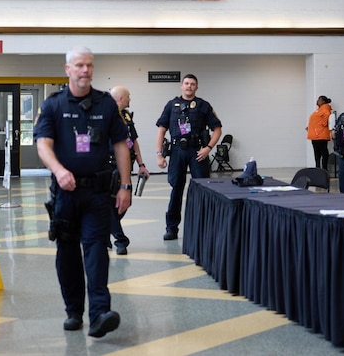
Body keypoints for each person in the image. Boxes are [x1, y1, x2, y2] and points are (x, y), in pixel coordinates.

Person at [34, 46, 132, 338]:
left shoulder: (105, 104)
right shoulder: (53, 105)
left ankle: (100, 312)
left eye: (89, 65)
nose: (85, 70)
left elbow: (120, 145)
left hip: (98, 192)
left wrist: (125, 185)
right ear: (68, 70)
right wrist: (58, 170)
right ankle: (73, 311)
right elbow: (42, 144)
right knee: (67, 253)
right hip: (66, 193)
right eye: (79, 65)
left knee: (96, 249)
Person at [155, 74, 222, 241]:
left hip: (197, 151)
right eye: (186, 83)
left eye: (192, 84)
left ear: (196, 87)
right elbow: (161, 130)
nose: (189, 86)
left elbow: (217, 129)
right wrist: (159, 154)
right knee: (176, 189)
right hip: (177, 151)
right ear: (181, 86)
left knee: (202, 190)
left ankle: (204, 227)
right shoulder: (171, 105)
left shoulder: (203, 105)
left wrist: (208, 148)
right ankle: (171, 228)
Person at [108, 85, 150, 255]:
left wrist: (141, 164)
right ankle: (120, 240)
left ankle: (106, 232)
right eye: (128, 96)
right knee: (110, 205)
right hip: (109, 167)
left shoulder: (125, 116)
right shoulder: (105, 116)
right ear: (120, 99)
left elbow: (134, 141)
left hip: (126, 167)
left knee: (125, 203)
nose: (130, 99)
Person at [307, 95, 333, 169]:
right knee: (317, 154)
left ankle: (324, 169)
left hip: (320, 135)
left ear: (323, 101)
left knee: (323, 153)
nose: (317, 101)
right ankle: (318, 169)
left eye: (319, 99)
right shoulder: (319, 110)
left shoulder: (325, 110)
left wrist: (322, 125)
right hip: (315, 135)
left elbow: (326, 119)